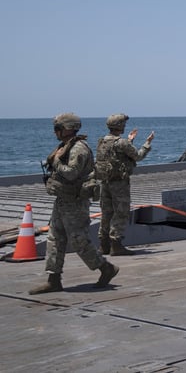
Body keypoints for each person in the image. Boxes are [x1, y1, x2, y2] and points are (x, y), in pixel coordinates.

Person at [29, 113, 119, 295]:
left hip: (75, 202)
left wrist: (55, 162)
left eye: (58, 128)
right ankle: (53, 279)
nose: (55, 132)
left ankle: (106, 267)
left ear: (68, 129)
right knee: (55, 239)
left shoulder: (79, 149)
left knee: (79, 241)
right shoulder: (65, 146)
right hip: (63, 200)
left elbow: (71, 173)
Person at [96, 113, 154, 256]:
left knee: (106, 214)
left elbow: (116, 156)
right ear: (119, 126)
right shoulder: (122, 143)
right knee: (121, 213)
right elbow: (138, 156)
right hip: (119, 184)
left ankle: (103, 246)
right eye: (123, 124)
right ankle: (116, 245)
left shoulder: (103, 141)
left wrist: (130, 141)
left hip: (105, 182)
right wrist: (147, 143)